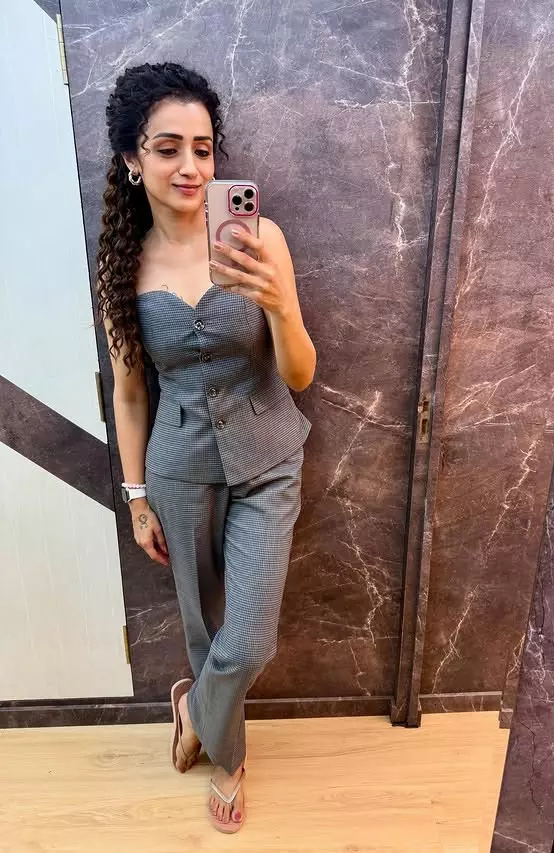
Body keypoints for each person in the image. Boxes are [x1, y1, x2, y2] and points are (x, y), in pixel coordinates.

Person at [95, 61, 315, 834]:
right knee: (203, 624)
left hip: (268, 459)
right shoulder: (123, 264)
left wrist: (279, 305)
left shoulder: (262, 237)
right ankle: (230, 758)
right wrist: (136, 499)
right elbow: (129, 393)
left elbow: (300, 373)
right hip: (178, 470)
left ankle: (195, 708)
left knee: (246, 639)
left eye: (203, 148)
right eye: (168, 149)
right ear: (133, 158)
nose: (191, 166)